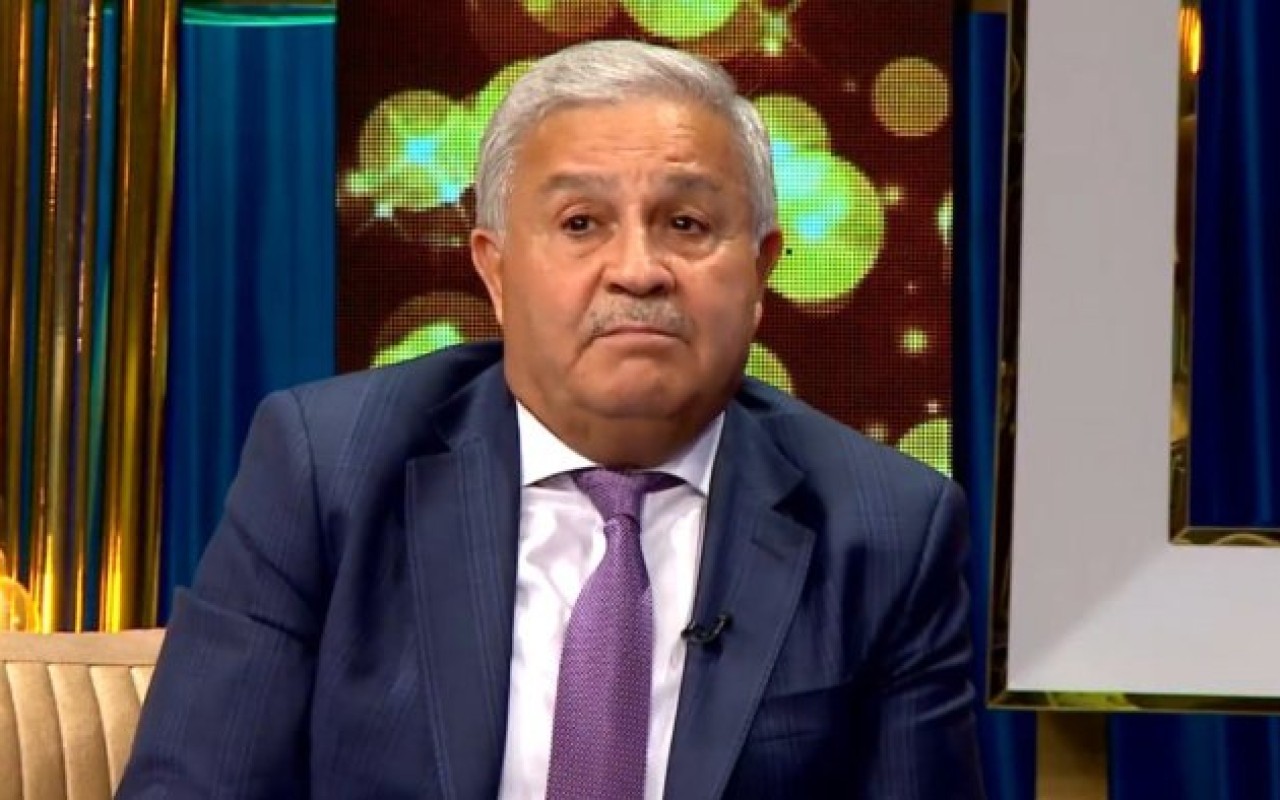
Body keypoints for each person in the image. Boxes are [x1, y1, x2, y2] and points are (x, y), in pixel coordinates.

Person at [119, 39, 984, 800]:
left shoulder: (887, 531)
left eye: (687, 223)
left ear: (760, 273)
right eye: (581, 223)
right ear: (494, 272)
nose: (638, 269)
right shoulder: (327, 469)